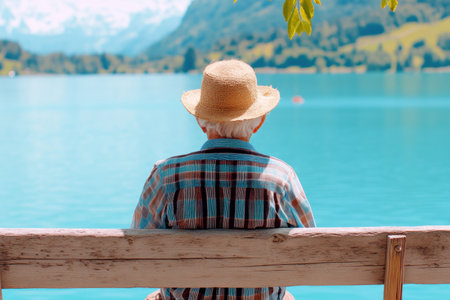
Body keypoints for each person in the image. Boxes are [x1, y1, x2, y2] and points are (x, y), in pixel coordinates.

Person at [132, 59, 315, 300]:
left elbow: (138, 249)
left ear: (200, 121)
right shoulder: (280, 177)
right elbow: (310, 250)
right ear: (258, 122)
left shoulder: (166, 175)